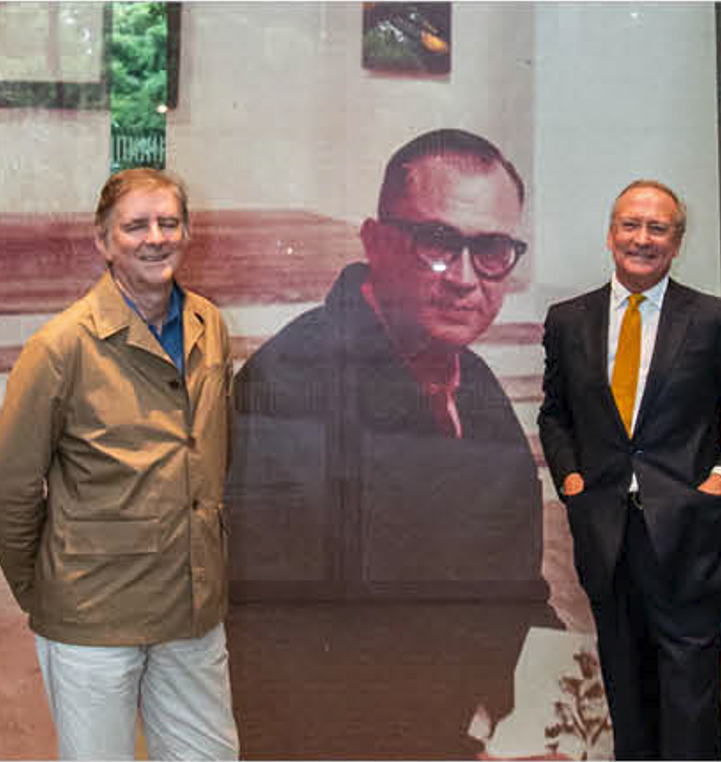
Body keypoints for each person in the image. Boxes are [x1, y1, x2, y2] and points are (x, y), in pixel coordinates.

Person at [225, 128, 561, 759]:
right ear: (376, 243)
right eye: (437, 242)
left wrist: (563, 713)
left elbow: (517, 592)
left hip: (468, 725)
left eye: (490, 249)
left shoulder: (473, 382)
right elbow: (285, 674)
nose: (465, 278)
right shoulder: (290, 388)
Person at [0, 168, 239, 761]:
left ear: (187, 232)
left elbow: (217, 457)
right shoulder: (60, 347)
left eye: (168, 223)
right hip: (92, 622)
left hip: (190, 614)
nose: (155, 238)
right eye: (136, 225)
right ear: (103, 241)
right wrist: (47, 588)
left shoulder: (210, 328)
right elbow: (4, 490)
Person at [536, 179, 721, 760]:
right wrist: (572, 483)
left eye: (657, 228)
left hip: (691, 537)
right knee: (628, 704)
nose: (641, 239)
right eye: (630, 225)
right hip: (607, 536)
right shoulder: (569, 320)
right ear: (611, 232)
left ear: (677, 241)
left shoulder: (713, 320)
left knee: (691, 711)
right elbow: (554, 415)